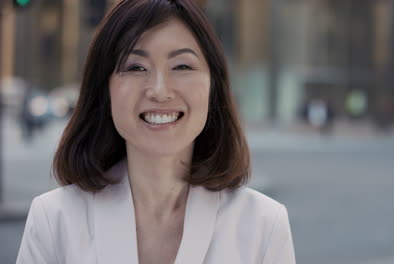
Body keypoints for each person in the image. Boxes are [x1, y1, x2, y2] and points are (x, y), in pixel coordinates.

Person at [16, 0, 295, 263]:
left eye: (182, 66)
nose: (159, 91)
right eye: (136, 67)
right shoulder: (54, 220)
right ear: (105, 89)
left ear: (213, 86)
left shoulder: (263, 225)